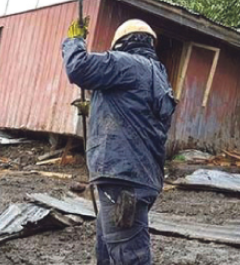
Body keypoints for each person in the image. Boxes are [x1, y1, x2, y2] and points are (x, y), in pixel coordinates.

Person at [62, 18, 176, 265]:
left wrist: (74, 40)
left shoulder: (125, 63)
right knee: (107, 252)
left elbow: (78, 68)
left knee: (128, 257)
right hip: (141, 177)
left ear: (121, 44)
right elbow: (133, 113)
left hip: (122, 178)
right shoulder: (157, 74)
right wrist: (95, 106)